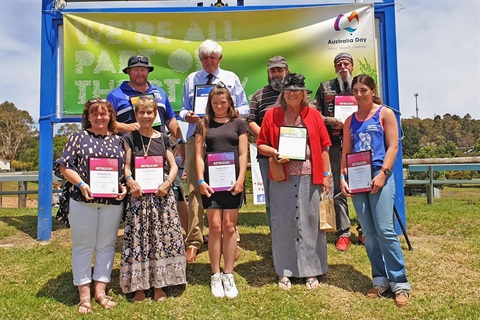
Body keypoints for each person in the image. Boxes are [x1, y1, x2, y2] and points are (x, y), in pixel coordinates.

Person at [339, 74, 411, 307]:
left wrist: (383, 173)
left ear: (372, 90)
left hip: (380, 175)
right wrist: (342, 176)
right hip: (357, 176)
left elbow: (393, 146)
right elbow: (346, 152)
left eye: (363, 90)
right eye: (356, 90)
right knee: (369, 232)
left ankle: (399, 282)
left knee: (385, 230)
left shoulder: (385, 113)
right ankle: (379, 279)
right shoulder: (350, 120)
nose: (359, 94)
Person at [257, 73, 331, 290]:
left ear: (303, 94)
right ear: (283, 93)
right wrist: (275, 152)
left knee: (310, 222)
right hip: (282, 176)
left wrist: (326, 176)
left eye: (297, 90)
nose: (292, 94)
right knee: (283, 223)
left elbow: (325, 146)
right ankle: (285, 270)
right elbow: (261, 144)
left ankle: (311, 271)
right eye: (288, 90)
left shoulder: (314, 115)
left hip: (310, 175)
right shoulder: (272, 115)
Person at [54, 98, 127, 314]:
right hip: (82, 199)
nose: (99, 118)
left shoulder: (119, 141)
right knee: (83, 245)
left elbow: (124, 170)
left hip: (111, 202)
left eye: (103, 114)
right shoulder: (78, 137)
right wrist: (82, 184)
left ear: (110, 116)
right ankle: (84, 294)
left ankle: (101, 291)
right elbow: (64, 166)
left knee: (107, 245)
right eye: (94, 114)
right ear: (88, 117)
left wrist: (123, 186)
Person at [179, 39, 249, 263]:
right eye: (204, 58)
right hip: (197, 138)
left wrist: (227, 111)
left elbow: (246, 108)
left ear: (220, 59)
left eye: (213, 57)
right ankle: (194, 240)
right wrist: (187, 116)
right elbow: (182, 109)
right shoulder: (192, 79)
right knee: (195, 188)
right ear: (200, 60)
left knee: (228, 186)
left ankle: (231, 237)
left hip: (226, 139)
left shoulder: (231, 78)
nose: (209, 61)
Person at [120, 97, 186, 302]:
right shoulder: (130, 138)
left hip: (161, 196)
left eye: (150, 113)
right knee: (140, 240)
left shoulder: (164, 137)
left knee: (160, 239)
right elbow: (127, 165)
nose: (146, 116)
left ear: (155, 114)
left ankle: (160, 284)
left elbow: (173, 165)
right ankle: (139, 286)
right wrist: (130, 181)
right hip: (139, 197)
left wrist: (168, 183)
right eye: (142, 113)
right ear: (137, 115)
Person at [195, 83, 248, 298]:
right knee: (215, 227)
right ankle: (215, 275)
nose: (219, 106)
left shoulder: (239, 124)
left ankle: (229, 274)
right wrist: (200, 180)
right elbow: (199, 155)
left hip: (233, 183)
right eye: (215, 103)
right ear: (210, 104)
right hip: (211, 183)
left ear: (229, 103)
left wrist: (241, 179)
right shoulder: (203, 124)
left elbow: (244, 154)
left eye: (223, 102)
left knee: (229, 226)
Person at [314, 52, 361, 251]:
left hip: (359, 143)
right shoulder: (325, 87)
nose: (343, 67)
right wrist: (329, 121)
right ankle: (344, 232)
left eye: (346, 63)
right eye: (339, 64)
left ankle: (365, 230)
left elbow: (373, 107)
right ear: (335, 68)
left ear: (352, 66)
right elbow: (314, 112)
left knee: (361, 185)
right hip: (333, 143)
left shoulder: (361, 85)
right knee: (338, 187)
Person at [247, 55, 289, 228]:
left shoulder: (296, 93)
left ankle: (294, 235)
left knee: (294, 195)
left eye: (279, 70)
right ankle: (277, 237)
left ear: (287, 71)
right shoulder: (259, 95)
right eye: (272, 70)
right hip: (267, 155)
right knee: (272, 197)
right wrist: (266, 139)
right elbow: (250, 122)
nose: (276, 74)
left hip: (294, 154)